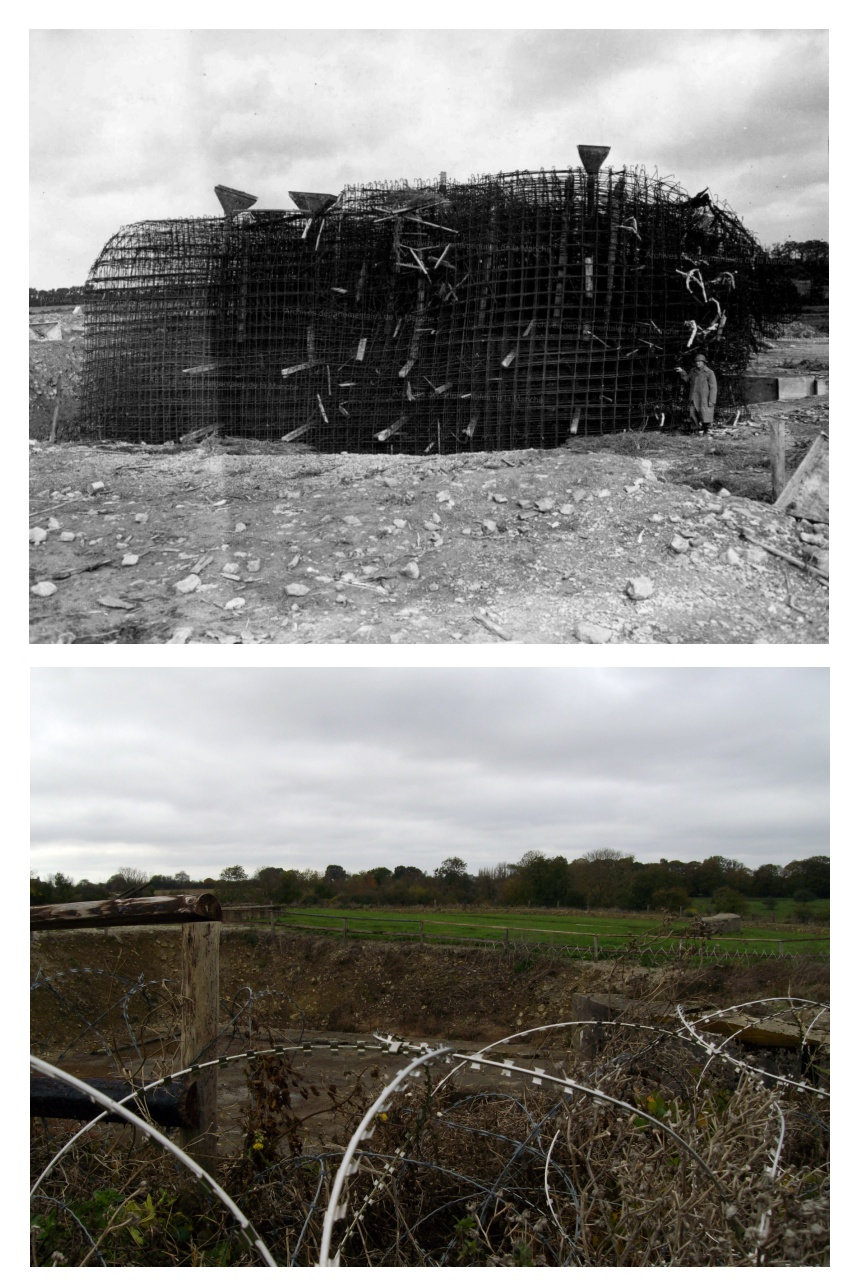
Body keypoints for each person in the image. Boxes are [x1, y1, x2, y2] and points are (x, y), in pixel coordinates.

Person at [674, 353, 717, 433]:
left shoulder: (709, 372)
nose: (698, 363)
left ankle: (706, 430)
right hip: (693, 397)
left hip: (704, 398)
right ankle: (695, 430)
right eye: (697, 361)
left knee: (705, 415)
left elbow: (713, 388)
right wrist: (682, 372)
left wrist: (712, 401)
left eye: (700, 361)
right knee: (692, 414)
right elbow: (687, 379)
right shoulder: (693, 371)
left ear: (704, 362)